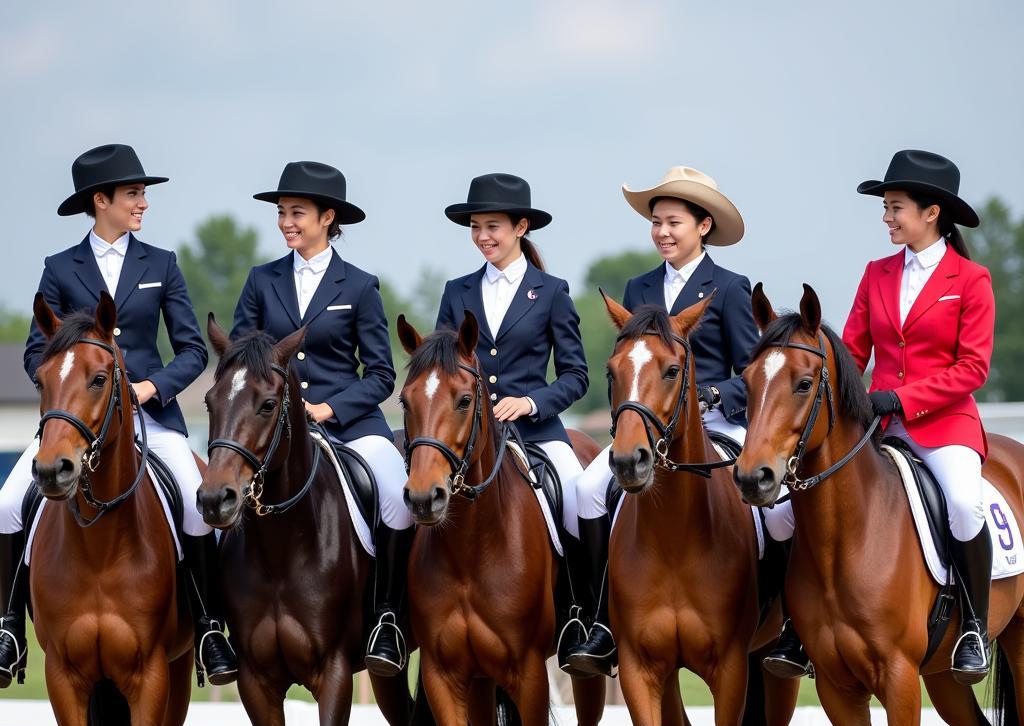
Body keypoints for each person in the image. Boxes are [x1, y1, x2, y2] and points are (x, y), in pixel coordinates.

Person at [0, 144, 237, 688]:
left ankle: (206, 626)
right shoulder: (59, 269)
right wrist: (66, 385)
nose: (143, 204)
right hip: (79, 419)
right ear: (100, 200)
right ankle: (11, 625)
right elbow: (37, 352)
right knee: (11, 501)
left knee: (196, 505)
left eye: (143, 194)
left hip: (149, 416)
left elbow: (192, 351)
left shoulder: (162, 264)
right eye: (133, 194)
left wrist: (152, 386)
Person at [567, 167, 762, 677]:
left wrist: (714, 393)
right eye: (656, 222)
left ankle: (784, 623)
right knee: (587, 491)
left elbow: (753, 371)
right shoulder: (640, 286)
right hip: (651, 429)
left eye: (673, 222)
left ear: (703, 226)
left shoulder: (731, 288)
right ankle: (599, 616)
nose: (662, 232)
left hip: (719, 425)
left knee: (777, 512)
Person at [232, 160, 411, 676]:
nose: (287, 222)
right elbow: (242, 359)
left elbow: (381, 375)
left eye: (297, 213)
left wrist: (329, 408)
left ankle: (387, 620)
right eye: (282, 213)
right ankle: (221, 619)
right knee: (224, 497)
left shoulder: (358, 286)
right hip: (275, 432)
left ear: (328, 217)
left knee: (398, 499)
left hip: (351, 428)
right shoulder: (261, 281)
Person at [846, 149, 994, 684]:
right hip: (878, 424)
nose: (886, 217)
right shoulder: (876, 272)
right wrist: (846, 396)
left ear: (931, 213)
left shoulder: (970, 279)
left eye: (895, 207)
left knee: (961, 502)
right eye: (885, 207)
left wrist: (905, 399)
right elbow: (852, 353)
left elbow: (973, 367)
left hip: (944, 425)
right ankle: (798, 624)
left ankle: (974, 626)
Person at [436, 173, 589, 663]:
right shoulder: (456, 291)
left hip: (536, 431)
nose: (483, 236)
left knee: (581, 498)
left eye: (494, 226)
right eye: (476, 227)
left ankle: (583, 615)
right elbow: (442, 369)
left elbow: (576, 374)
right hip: (468, 439)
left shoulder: (550, 291)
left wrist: (532, 402)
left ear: (521, 227)